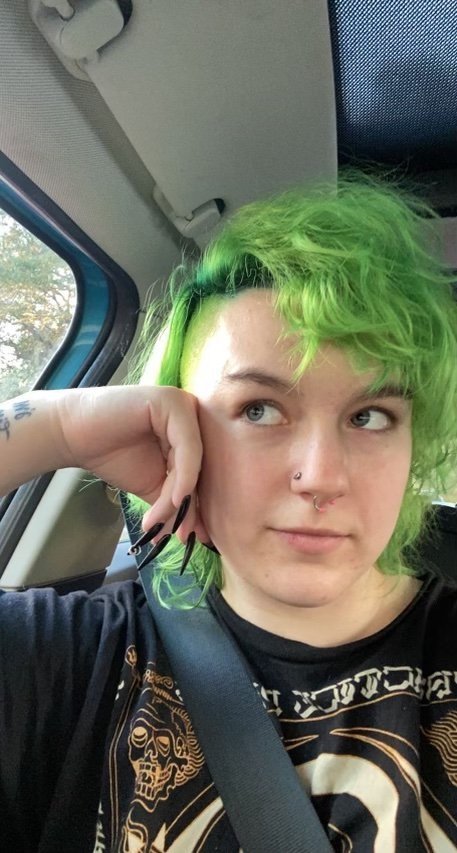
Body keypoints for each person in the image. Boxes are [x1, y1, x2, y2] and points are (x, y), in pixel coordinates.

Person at [1, 176, 457, 853]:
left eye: (369, 416)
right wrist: (55, 429)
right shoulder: (68, 658)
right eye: (258, 409)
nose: (321, 476)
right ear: (178, 427)